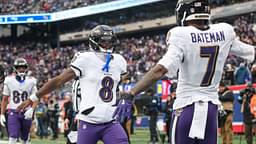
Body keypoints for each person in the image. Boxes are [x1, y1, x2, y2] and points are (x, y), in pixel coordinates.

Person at [113, 0, 255, 143]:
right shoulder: (224, 32)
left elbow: (160, 69)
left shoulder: (181, 34)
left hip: (186, 107)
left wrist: (131, 93)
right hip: (211, 110)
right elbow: (251, 53)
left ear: (185, 13)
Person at [17, 25, 129, 144]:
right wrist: (33, 97)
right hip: (89, 121)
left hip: (111, 121)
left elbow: (122, 77)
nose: (108, 45)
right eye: (104, 42)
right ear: (94, 42)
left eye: (110, 42)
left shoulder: (119, 61)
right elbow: (59, 80)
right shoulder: (86, 59)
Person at [0, 58, 38, 144]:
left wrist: (32, 109)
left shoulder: (31, 81)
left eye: (23, 67)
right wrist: (2, 114)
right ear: (15, 68)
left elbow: (36, 98)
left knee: (25, 138)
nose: (21, 69)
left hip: (26, 112)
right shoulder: (9, 80)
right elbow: (5, 99)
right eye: (19, 67)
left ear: (26, 68)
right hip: (13, 112)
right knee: (13, 136)